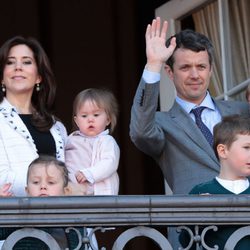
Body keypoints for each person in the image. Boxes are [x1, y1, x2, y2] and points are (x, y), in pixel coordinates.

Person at [129, 17, 250, 195]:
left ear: (210, 70)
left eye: (201, 66)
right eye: (185, 67)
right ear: (170, 72)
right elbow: (140, 132)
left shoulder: (243, 111)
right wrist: (154, 64)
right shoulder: (162, 124)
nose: (194, 75)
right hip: (195, 221)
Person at [0, 36, 67, 196]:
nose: (18, 67)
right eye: (10, 62)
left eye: (26, 62)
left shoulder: (56, 126)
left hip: (58, 216)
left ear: (39, 76)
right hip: (13, 216)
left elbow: (67, 175)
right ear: (1, 77)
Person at [179, 115, 250, 249]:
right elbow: (186, 242)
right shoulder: (200, 192)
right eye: (247, 147)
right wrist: (196, 217)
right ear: (223, 151)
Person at [0, 155, 89, 249]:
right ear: (27, 191)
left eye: (51, 182)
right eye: (36, 182)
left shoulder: (73, 219)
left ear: (65, 191)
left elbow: (80, 245)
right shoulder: (21, 215)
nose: (43, 186)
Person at [65, 88, 120, 195]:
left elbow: (109, 163)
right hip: (74, 194)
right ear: (76, 121)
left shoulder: (107, 141)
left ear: (108, 119)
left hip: (99, 195)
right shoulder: (70, 140)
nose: (90, 119)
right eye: (84, 116)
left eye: (96, 115)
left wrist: (89, 174)